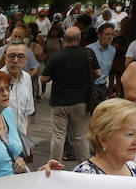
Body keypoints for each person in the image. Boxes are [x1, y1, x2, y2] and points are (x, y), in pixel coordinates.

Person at [41, 26, 98, 162]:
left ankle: (54, 166)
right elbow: (98, 73)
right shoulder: (87, 54)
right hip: (81, 101)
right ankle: (84, 168)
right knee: (80, 137)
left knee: (58, 136)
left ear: (64, 39)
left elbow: (43, 78)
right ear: (79, 39)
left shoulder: (56, 56)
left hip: (59, 102)